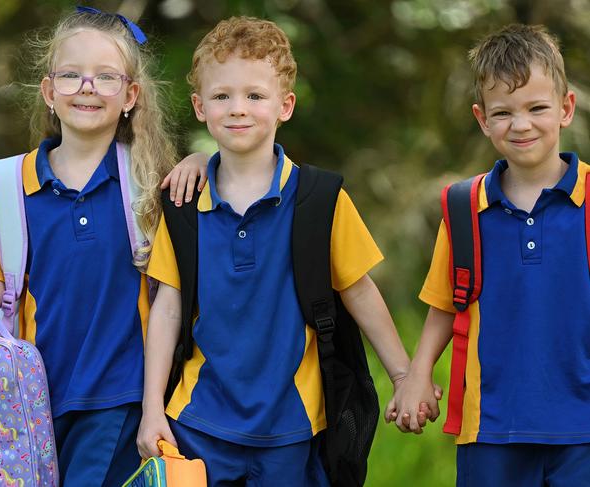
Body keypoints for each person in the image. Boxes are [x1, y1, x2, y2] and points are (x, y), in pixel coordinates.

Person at [136, 16, 419, 486]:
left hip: (294, 426)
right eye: (222, 96)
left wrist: (405, 376)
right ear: (199, 106)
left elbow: (359, 290)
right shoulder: (184, 205)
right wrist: (152, 412)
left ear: (285, 105)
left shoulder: (320, 200)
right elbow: (166, 308)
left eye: (254, 96)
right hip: (196, 422)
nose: (237, 109)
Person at [0, 8, 205, 486]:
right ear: (48, 92)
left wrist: (204, 158)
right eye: (72, 75)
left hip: (118, 394)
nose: (87, 87)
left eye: (106, 77)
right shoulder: (7, 183)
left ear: (130, 96)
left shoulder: (150, 183)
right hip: (30, 398)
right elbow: (3, 277)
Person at [388, 24, 590, 486]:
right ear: (482, 118)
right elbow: (446, 303)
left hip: (583, 429)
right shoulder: (464, 207)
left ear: (566, 108)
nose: (520, 125)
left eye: (537, 108)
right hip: (489, 429)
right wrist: (417, 376)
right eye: (503, 112)